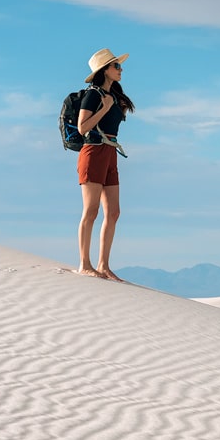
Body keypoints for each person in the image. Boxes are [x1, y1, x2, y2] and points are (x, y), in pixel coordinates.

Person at [76, 48, 135, 281]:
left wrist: (114, 105)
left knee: (114, 212)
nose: (121, 70)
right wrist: (105, 108)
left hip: (111, 153)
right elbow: (82, 128)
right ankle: (84, 264)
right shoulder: (93, 95)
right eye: (116, 66)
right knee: (91, 211)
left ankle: (103, 265)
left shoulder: (115, 95)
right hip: (93, 151)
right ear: (104, 70)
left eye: (119, 66)